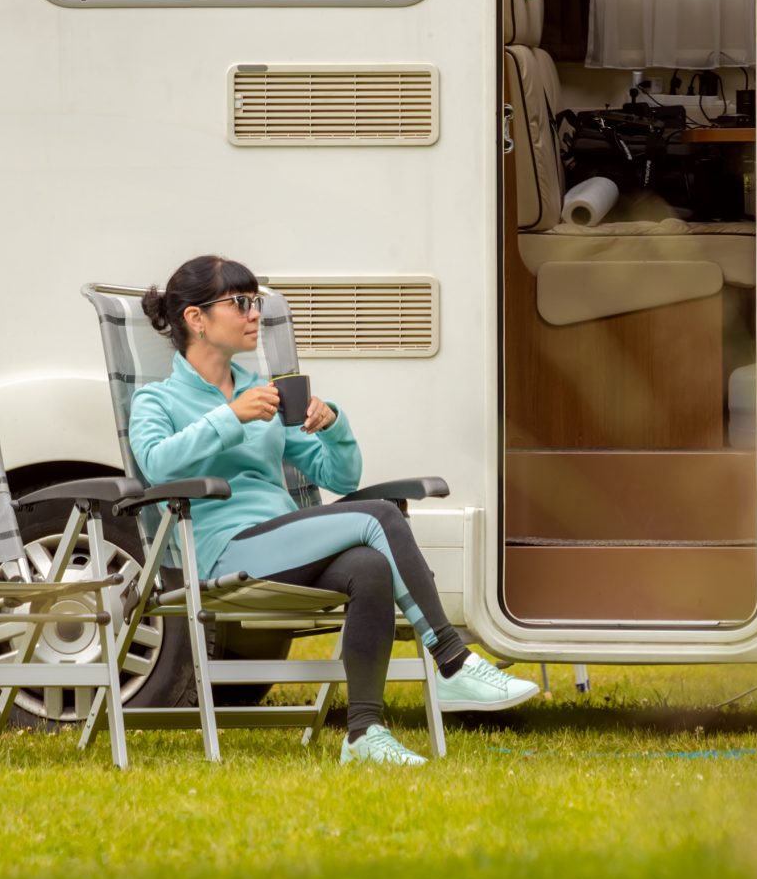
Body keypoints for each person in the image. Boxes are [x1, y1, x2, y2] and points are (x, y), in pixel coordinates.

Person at [128, 254, 540, 765]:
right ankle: (452, 663)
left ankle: (364, 734)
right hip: (223, 552)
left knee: (368, 569)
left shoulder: (266, 397)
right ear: (196, 318)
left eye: (255, 302)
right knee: (379, 515)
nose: (255, 314)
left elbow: (340, 478)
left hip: (281, 541)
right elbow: (156, 466)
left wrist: (333, 425)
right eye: (241, 303)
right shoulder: (158, 401)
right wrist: (228, 417)